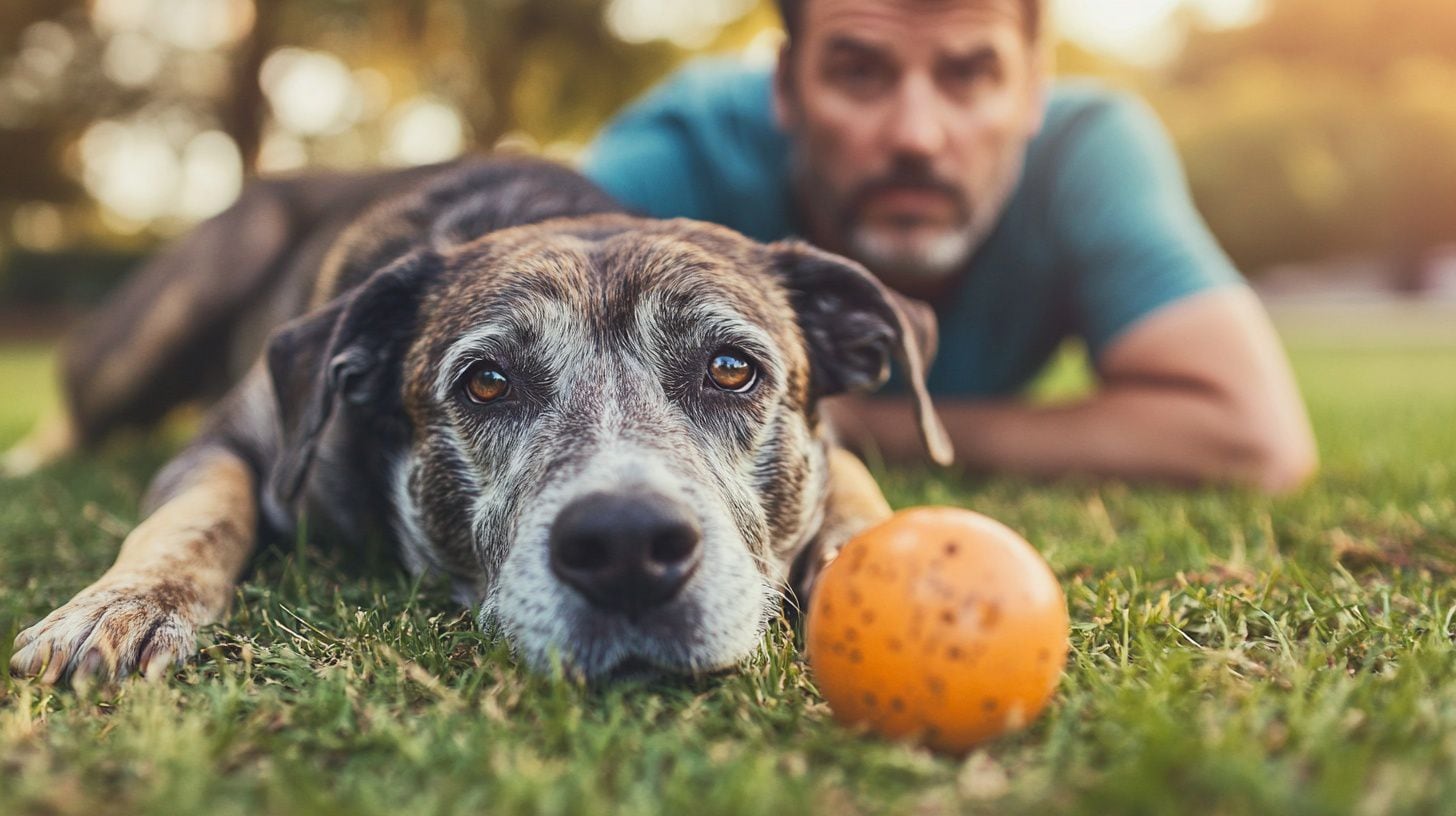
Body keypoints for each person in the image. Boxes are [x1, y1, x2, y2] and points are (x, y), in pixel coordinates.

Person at [583, 0, 1317, 493]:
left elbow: (1255, 439)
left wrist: (859, 426)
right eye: (859, 73)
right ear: (785, 87)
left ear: (1033, 89)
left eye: (969, 75)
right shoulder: (676, 157)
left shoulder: (1087, 152)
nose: (916, 135)